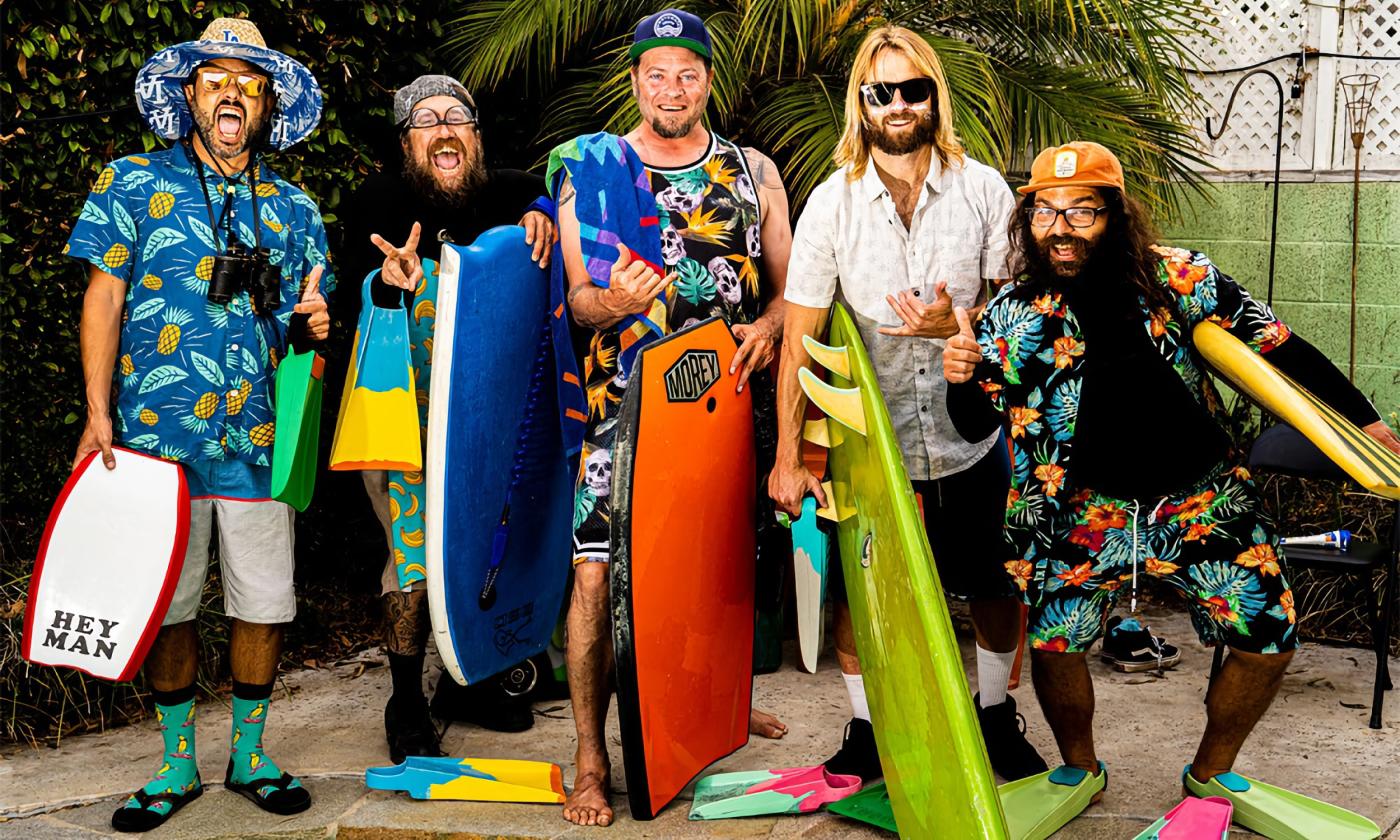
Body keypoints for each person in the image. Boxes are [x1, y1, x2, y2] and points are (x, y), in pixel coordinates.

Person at [942, 140, 1400, 825]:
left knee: (1267, 636)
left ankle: (1211, 773)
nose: (1059, 229)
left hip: (1198, 498)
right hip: (1078, 506)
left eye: (1081, 212)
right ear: (1026, 217)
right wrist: (958, 373)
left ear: (1116, 215)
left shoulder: (1181, 280)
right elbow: (971, 419)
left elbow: (1280, 346)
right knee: (1055, 643)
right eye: (1044, 211)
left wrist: (1363, 421)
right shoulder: (1013, 313)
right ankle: (1079, 767)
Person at [65, 17, 331, 832]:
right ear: (188, 95)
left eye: (248, 83)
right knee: (168, 603)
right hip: (155, 439)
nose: (230, 92)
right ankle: (177, 761)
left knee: (263, 601)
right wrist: (98, 411)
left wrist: (316, 320)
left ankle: (249, 755)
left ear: (265, 103)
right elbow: (103, 298)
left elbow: (304, 319)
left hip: (259, 435)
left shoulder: (292, 205)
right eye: (214, 78)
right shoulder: (131, 182)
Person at [769, 25, 1047, 782]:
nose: (898, 104)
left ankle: (995, 718)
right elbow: (800, 336)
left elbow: (1020, 311)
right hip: (872, 438)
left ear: (934, 97)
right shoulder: (832, 204)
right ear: (862, 103)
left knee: (993, 581)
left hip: (970, 432)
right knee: (863, 591)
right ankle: (865, 732)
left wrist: (961, 326)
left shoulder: (984, 189)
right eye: (880, 91)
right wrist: (789, 456)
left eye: (912, 89)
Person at [553, 8, 792, 826]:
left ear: (707, 83)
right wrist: (605, 301)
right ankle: (590, 756)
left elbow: (792, 291)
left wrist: (767, 326)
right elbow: (579, 299)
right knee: (593, 578)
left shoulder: (753, 169)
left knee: (711, 573)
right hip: (618, 415)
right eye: (656, 73)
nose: (672, 89)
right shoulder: (592, 167)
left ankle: (705, 716)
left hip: (719, 413)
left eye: (687, 73)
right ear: (633, 82)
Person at [337, 74, 557, 763]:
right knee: (411, 555)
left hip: (487, 423)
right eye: (424, 119)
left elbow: (553, 197)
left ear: (476, 136)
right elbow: (351, 297)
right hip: (404, 415)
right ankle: (406, 695)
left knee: (488, 540)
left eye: (456, 116)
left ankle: (474, 676)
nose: (443, 128)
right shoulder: (376, 201)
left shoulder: (513, 191)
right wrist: (387, 282)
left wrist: (545, 210)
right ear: (407, 144)